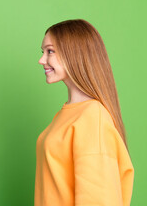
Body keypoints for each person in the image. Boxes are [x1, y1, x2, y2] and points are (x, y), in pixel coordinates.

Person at [35, 19, 134, 206]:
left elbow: (99, 200)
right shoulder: (68, 114)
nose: (41, 60)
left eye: (50, 51)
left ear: (73, 53)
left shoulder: (92, 117)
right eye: (42, 52)